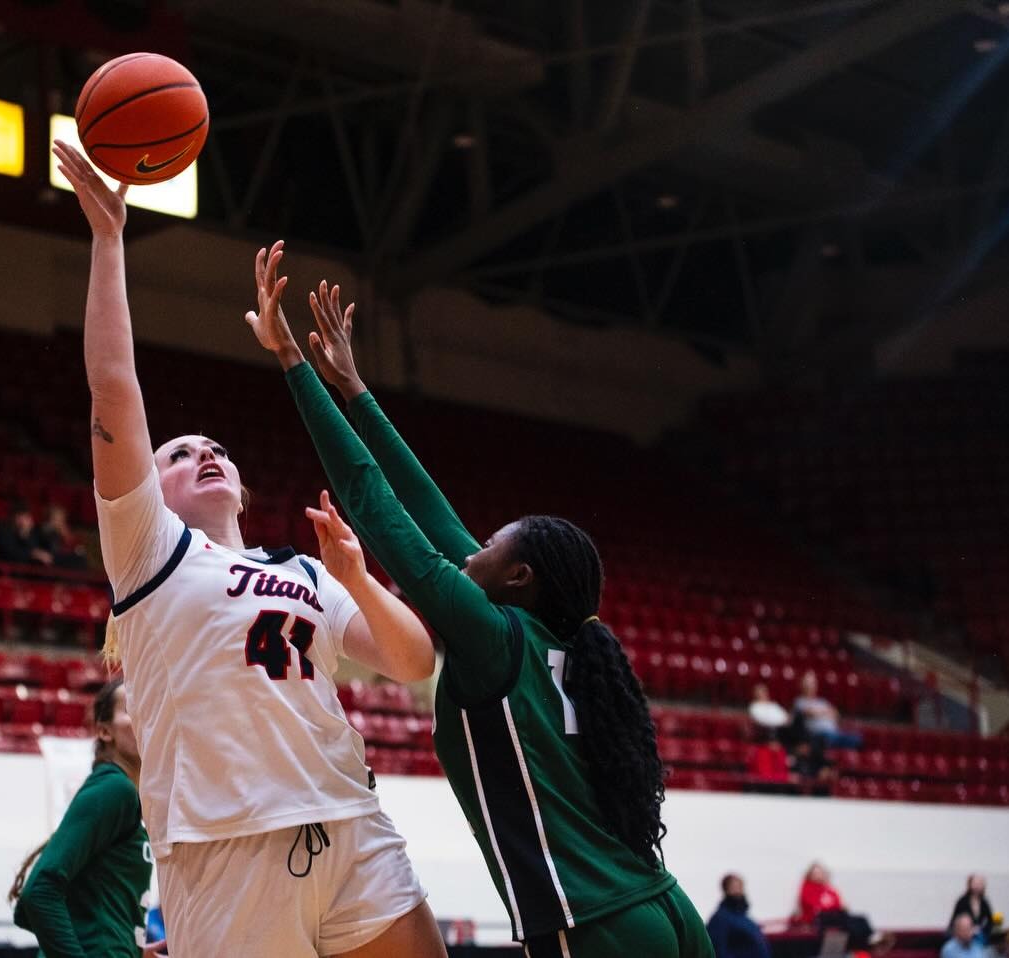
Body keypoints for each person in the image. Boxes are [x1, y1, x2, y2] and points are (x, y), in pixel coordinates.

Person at [245, 246, 711, 958]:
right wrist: (356, 389)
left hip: (593, 926)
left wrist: (292, 363)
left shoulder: (494, 639)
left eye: (488, 542)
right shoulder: (553, 643)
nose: (471, 546)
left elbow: (373, 503)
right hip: (665, 909)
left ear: (518, 577)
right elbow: (430, 506)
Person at [52, 140, 445, 958]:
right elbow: (113, 386)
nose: (204, 452)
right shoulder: (150, 552)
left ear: (241, 483)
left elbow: (414, 662)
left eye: (217, 449)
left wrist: (358, 578)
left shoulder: (305, 570)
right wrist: (110, 240)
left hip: (347, 819)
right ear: (150, 489)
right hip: (224, 848)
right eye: (178, 452)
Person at [12, 679, 163, 958]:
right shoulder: (114, 788)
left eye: (151, 706)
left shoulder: (128, 794)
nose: (146, 716)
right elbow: (39, 892)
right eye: (132, 708)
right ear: (105, 731)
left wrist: (132, 950)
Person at [793, 862, 882, 951]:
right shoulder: (807, 887)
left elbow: (838, 903)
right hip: (819, 919)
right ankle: (865, 944)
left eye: (820, 873)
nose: (818, 875)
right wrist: (832, 906)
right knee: (846, 924)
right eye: (815, 873)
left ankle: (871, 939)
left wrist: (841, 907)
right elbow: (815, 906)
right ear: (810, 875)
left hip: (834, 915)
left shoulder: (828, 888)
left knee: (861, 918)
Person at [793, 672, 862, 749]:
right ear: (802, 685)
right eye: (807, 684)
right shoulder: (799, 701)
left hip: (834, 733)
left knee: (856, 738)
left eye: (812, 684)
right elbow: (810, 713)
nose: (810, 686)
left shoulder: (822, 701)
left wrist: (819, 712)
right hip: (818, 735)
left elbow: (836, 714)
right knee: (828, 739)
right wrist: (825, 712)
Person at [706, 875, 769, 958]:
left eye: (740, 887)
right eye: (734, 888)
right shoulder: (720, 918)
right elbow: (718, 950)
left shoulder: (745, 919)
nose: (738, 892)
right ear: (726, 890)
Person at [35, 504, 87, 570]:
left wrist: (66, 535)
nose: (60, 522)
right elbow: (51, 550)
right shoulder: (44, 531)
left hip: (64, 559)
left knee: (80, 558)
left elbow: (75, 547)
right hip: (52, 560)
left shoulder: (65, 532)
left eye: (62, 519)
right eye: (57, 519)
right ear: (50, 519)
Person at [950, 875, 994, 943]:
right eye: (975, 883)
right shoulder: (962, 901)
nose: (977, 886)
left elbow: (990, 921)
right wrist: (967, 930)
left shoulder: (984, 902)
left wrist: (981, 929)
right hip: (962, 933)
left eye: (980, 884)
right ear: (970, 884)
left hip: (978, 934)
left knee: (981, 940)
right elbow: (954, 920)